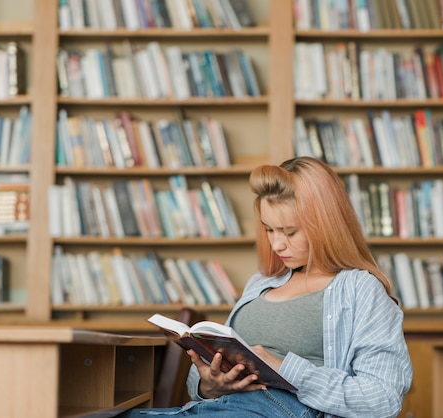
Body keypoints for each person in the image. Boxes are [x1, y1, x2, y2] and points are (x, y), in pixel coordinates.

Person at [122, 157, 412, 418]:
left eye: (289, 232)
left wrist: (284, 367)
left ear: (327, 225)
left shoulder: (360, 288)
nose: (276, 244)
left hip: (279, 409)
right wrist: (210, 385)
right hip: (216, 408)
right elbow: (206, 384)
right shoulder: (260, 282)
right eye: (269, 229)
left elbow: (382, 399)